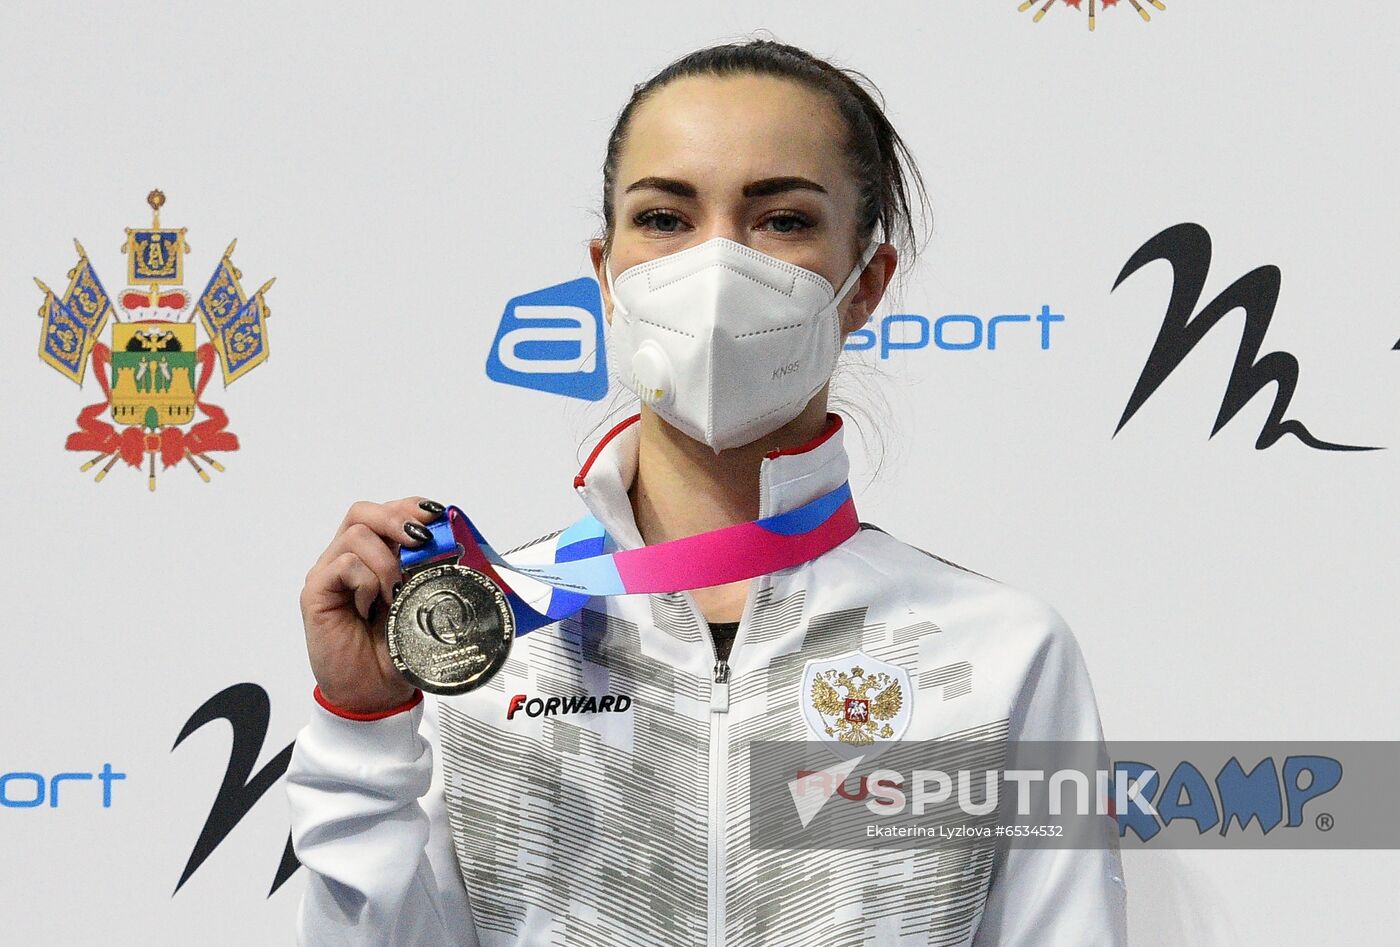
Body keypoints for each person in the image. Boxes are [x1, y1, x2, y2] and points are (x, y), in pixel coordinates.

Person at [286, 38, 1128, 946]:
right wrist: (365, 725)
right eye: (665, 218)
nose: (718, 268)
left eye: (781, 220)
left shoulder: (999, 654)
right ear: (606, 273)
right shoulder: (476, 639)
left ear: (866, 283)